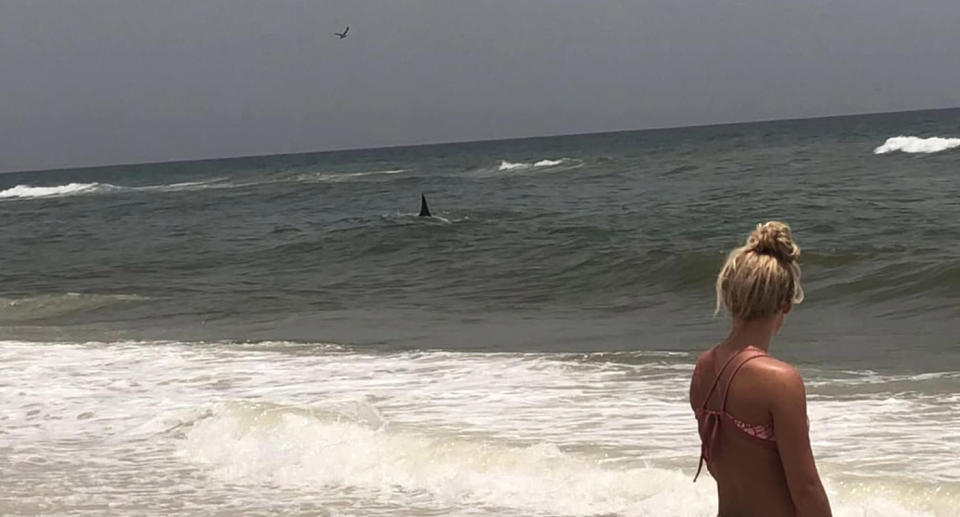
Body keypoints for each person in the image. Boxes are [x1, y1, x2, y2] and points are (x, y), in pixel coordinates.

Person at [689, 222, 832, 517]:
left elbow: (721, 465)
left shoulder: (703, 368)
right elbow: (806, 489)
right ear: (786, 305)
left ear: (729, 296)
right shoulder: (780, 381)